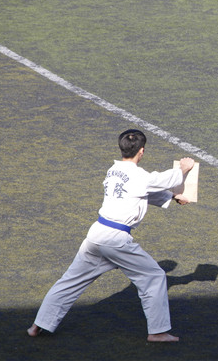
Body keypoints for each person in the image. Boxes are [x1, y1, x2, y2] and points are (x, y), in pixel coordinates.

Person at [27, 129, 195, 342]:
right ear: (141, 151)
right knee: (154, 277)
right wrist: (183, 168)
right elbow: (162, 180)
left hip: (95, 236)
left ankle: (37, 326)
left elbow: (138, 193)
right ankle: (158, 332)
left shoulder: (113, 170)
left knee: (70, 281)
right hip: (116, 240)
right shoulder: (139, 176)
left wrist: (172, 196)